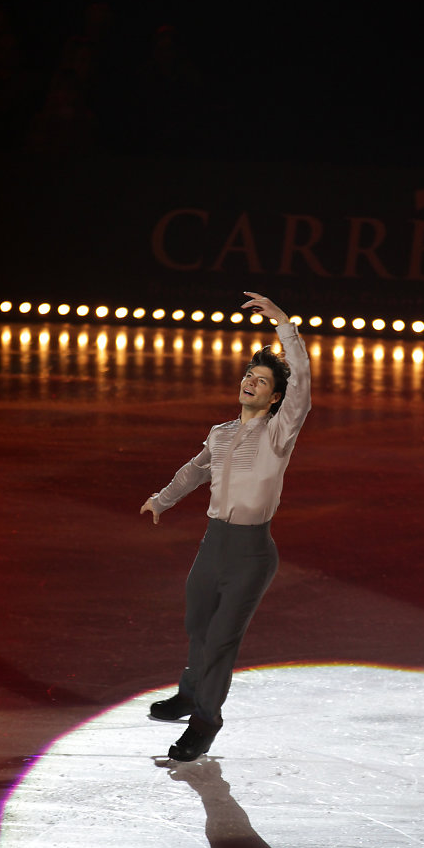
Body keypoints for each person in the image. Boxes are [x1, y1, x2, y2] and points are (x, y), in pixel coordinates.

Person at [140, 292, 311, 761]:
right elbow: (196, 469)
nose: (251, 383)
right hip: (212, 544)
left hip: (251, 553)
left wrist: (283, 325)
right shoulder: (220, 433)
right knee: (198, 625)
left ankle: (205, 720)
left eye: (261, 381)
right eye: (248, 376)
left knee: (221, 639)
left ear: (275, 396)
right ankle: (190, 693)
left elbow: (303, 390)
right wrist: (164, 498)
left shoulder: (279, 432)